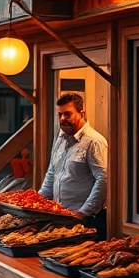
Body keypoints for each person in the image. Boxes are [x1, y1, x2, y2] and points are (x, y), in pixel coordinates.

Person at [38, 93, 109, 239]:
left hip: (86, 220)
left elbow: (103, 179)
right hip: (60, 218)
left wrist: (83, 212)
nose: (63, 119)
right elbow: (52, 172)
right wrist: (36, 201)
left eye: (67, 114)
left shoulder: (94, 141)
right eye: (60, 115)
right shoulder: (60, 138)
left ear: (82, 113)